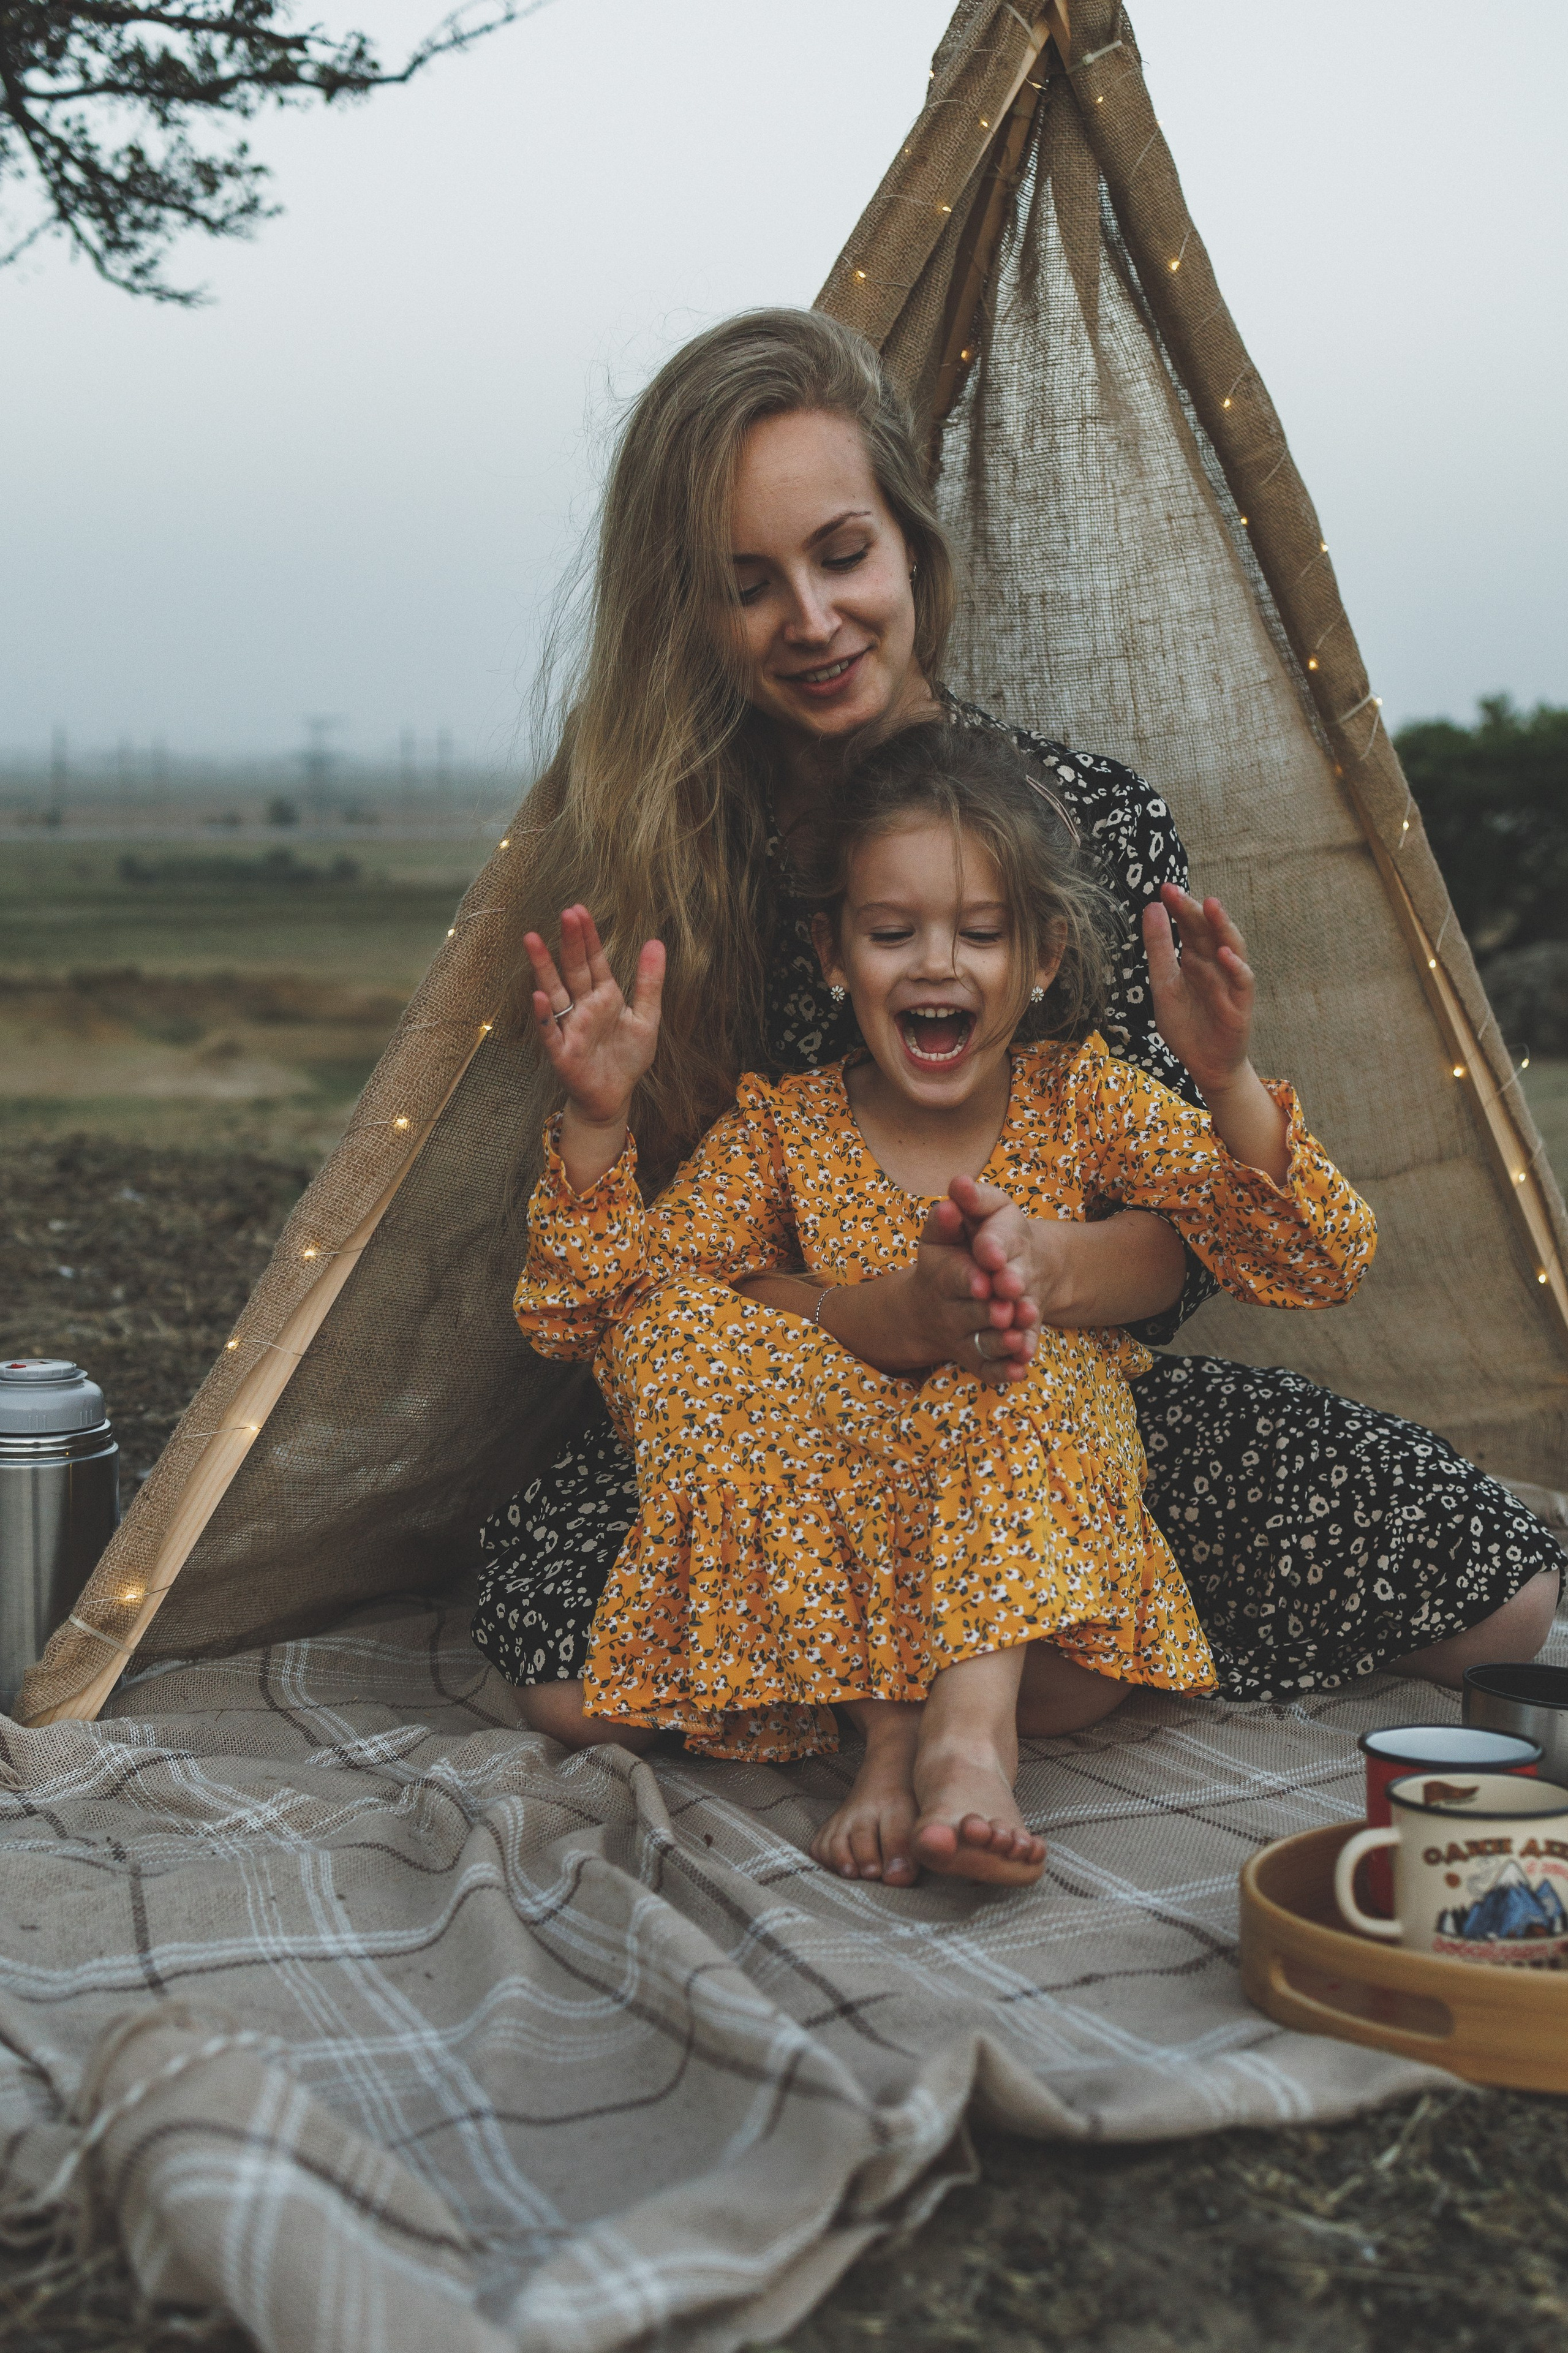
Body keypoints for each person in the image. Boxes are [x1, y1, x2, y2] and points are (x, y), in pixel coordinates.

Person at [472, 306, 1560, 1884]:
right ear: (690, 611)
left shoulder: (1081, 823)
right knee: (555, 1630)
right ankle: (1004, 1661)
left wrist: (1031, 1276)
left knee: (1502, 1602)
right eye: (747, 582)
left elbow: (1185, 1240)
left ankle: (964, 1659)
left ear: (910, 546)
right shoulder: (678, 864)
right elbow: (653, 1290)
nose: (812, 616)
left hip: (1050, 1388)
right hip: (793, 1423)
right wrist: (874, 1315)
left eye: (841, 553)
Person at [513, 725, 1379, 1888]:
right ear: (832, 952)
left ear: (1043, 955)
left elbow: (1317, 1257)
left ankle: (970, 1744)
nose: (937, 965)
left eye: (980, 934)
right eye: (892, 932)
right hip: (848, 1574)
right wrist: (600, 1120)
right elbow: (601, 1312)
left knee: (1022, 1363)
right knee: (672, 1330)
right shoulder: (786, 1126)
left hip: (1041, 1617)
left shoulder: (1082, 1100)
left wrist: (1224, 1080)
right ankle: (889, 1743)